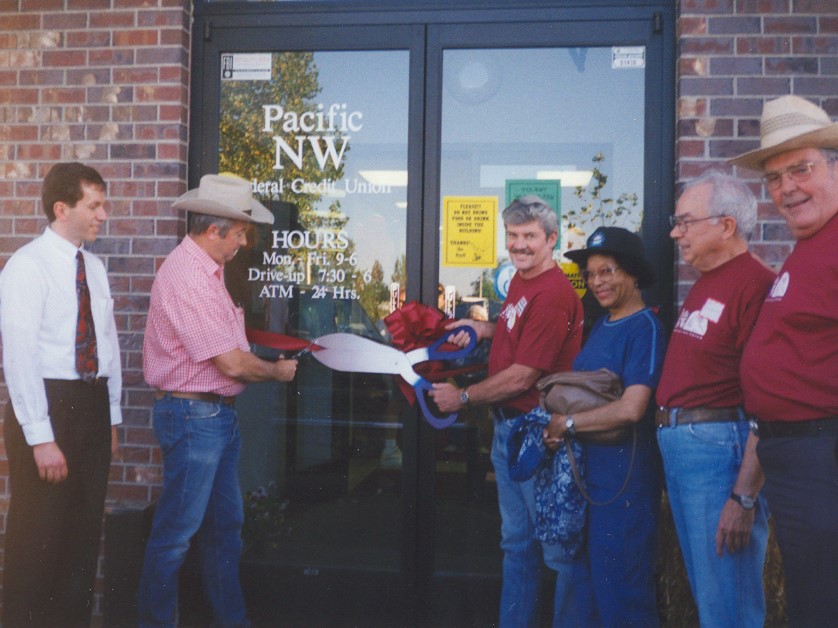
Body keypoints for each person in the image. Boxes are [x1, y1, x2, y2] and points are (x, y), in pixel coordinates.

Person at [137, 174, 298, 628]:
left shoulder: (208, 271)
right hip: (194, 418)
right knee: (177, 535)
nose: (245, 242)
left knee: (223, 530)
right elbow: (231, 363)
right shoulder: (189, 276)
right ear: (214, 230)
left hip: (209, 418)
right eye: (241, 232)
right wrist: (276, 372)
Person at [430, 195, 584, 627]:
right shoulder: (522, 281)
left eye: (530, 236)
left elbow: (523, 376)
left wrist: (462, 398)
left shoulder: (554, 293)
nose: (519, 245)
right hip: (510, 430)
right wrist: (481, 328)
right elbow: (517, 331)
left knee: (556, 551)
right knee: (517, 544)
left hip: (538, 434)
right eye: (513, 235)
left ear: (551, 239)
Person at [730, 94, 838, 626]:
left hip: (823, 456)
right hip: (795, 457)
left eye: (802, 169)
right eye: (774, 178)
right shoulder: (811, 244)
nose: (787, 188)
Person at [0, 162, 122, 627]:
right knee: (39, 537)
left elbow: (106, 344)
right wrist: (41, 437)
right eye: (94, 205)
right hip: (48, 408)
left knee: (82, 537)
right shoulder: (27, 267)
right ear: (61, 208)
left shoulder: (94, 268)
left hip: (90, 405)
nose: (102, 215)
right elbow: (20, 356)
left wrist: (110, 418)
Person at [655, 171, 775, 627]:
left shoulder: (755, 285)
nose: (674, 232)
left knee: (728, 602)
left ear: (726, 226)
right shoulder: (709, 280)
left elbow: (768, 400)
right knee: (713, 594)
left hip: (718, 449)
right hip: (691, 447)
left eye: (686, 222)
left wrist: (742, 498)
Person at [543, 226, 666, 627]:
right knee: (589, 589)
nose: (597, 282)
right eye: (592, 273)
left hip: (623, 480)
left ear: (633, 274)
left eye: (608, 271)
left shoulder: (645, 327)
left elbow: (632, 409)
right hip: (590, 478)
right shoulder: (601, 325)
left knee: (623, 591)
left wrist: (569, 423)